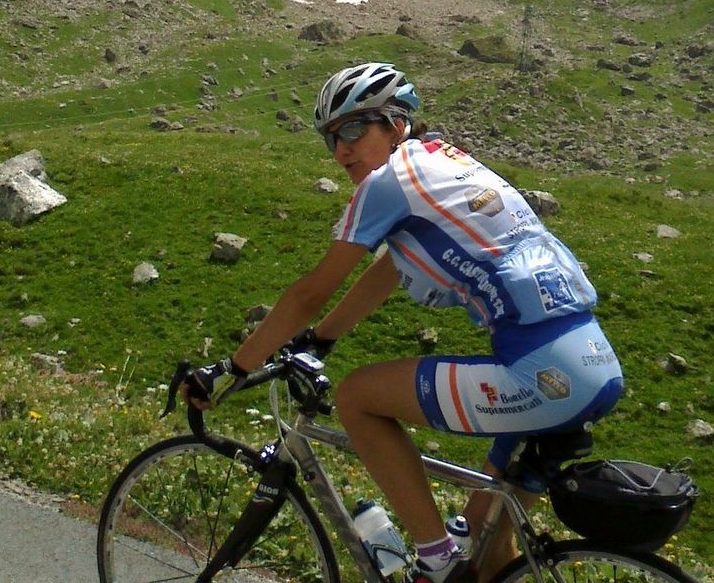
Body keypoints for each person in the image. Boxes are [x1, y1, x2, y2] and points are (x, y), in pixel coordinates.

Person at [186, 62, 624, 583]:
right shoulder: (442, 162)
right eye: (331, 139)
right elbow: (389, 269)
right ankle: (460, 563)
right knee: (488, 548)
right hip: (592, 362)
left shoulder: (389, 181)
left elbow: (310, 292)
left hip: (541, 372)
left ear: (396, 124)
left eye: (354, 129)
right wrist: (320, 339)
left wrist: (232, 369)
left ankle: (435, 558)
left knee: (356, 397)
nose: (342, 150)